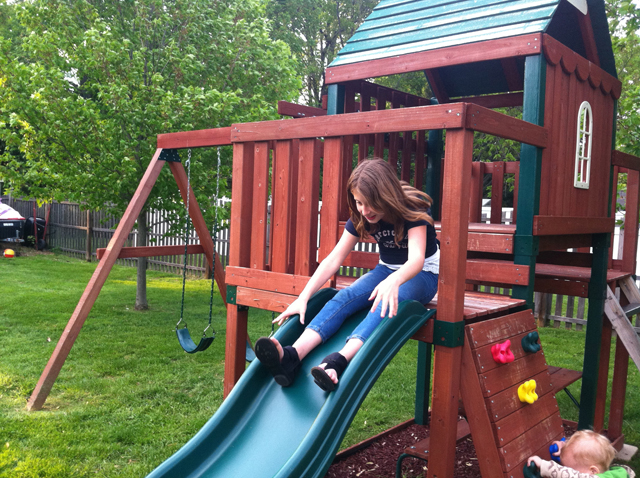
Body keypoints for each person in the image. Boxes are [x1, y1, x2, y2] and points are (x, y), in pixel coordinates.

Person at [254, 158, 439, 391]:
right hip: (387, 270)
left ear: (386, 195)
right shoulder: (363, 215)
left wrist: (393, 281)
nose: (365, 210)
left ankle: (338, 360)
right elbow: (333, 259)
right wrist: (303, 297)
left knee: (384, 302)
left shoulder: (413, 208)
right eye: (359, 202)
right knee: (344, 296)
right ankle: (292, 356)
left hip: (424, 274)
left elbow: (416, 260)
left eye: (370, 204)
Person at [527, 430, 635, 477]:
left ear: (593, 471)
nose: (565, 470)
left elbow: (572, 476)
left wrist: (545, 466)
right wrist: (564, 448)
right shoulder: (614, 474)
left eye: (568, 468)